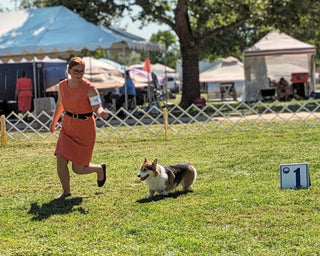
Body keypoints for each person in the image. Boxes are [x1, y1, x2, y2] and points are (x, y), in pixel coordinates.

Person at [49, 57, 109, 199]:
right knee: (61, 161)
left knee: (78, 168)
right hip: (68, 126)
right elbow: (60, 105)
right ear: (69, 70)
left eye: (82, 71)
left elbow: (97, 107)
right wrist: (53, 122)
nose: (79, 73)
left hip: (85, 129)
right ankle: (66, 192)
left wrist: (101, 113)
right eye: (76, 71)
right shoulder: (62, 86)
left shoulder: (90, 89)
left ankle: (100, 169)